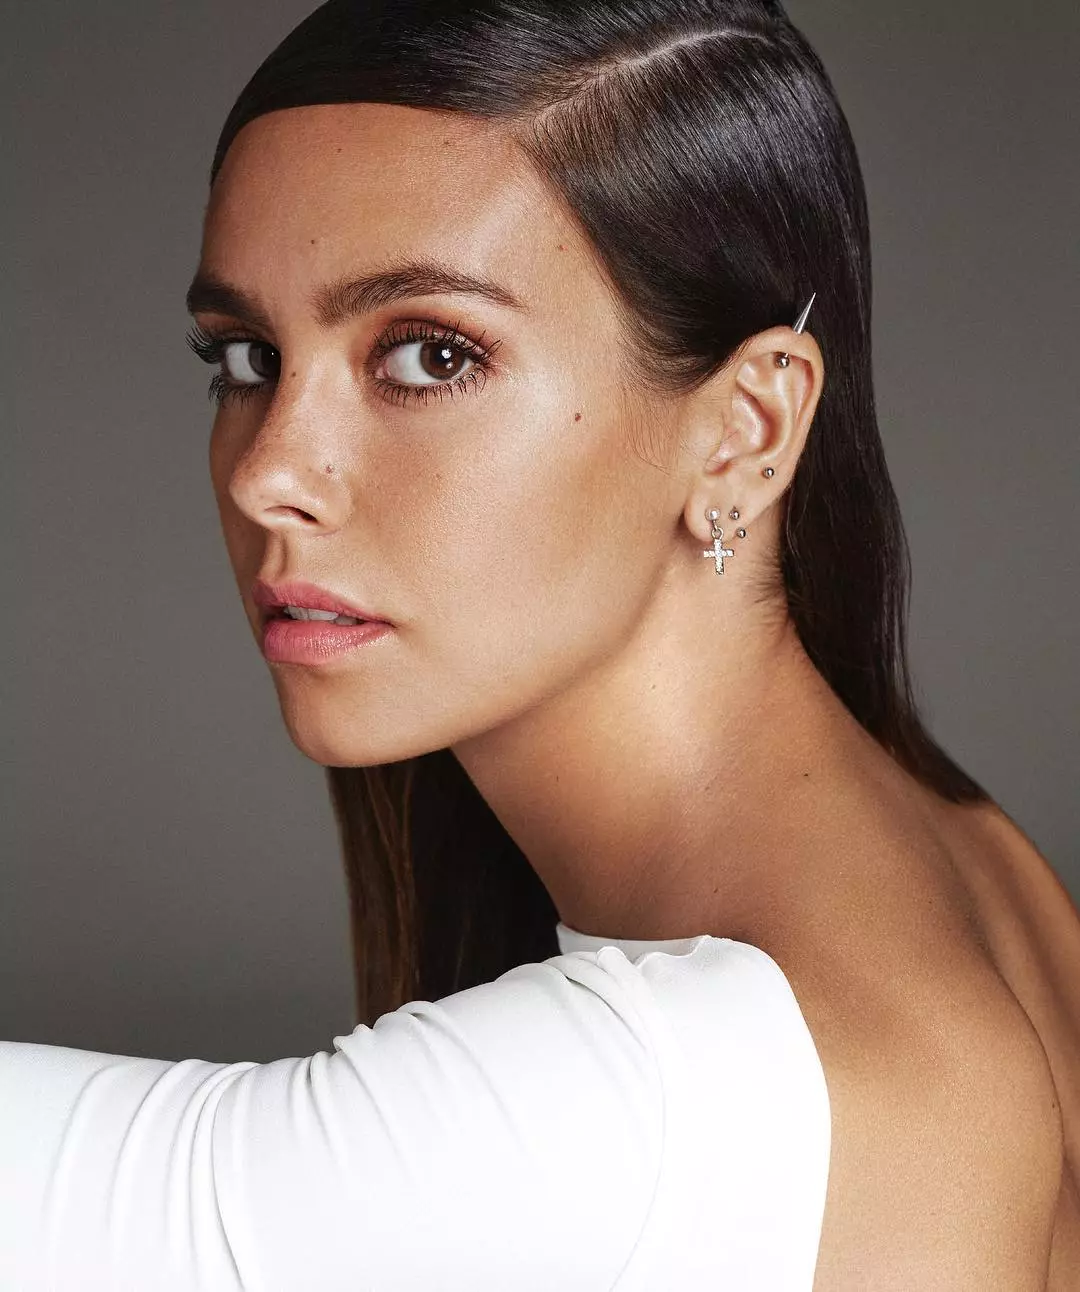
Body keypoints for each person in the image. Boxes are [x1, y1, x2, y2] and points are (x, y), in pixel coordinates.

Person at [2, 0, 1077, 1287]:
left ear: (743, 429)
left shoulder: (660, 1096)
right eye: (246, 356)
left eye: (430, 354)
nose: (269, 471)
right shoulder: (974, 860)